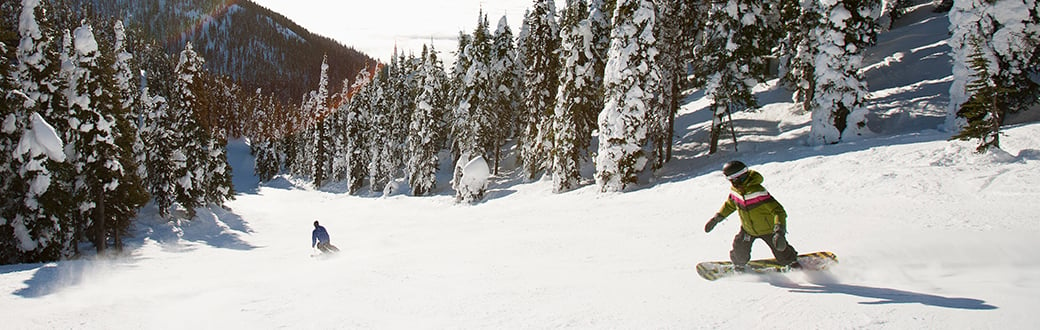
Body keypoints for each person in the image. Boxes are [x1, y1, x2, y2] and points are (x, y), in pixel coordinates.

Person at [704, 161, 798, 271]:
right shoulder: (736, 191)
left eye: (731, 178)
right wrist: (717, 218)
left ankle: (792, 263)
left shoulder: (757, 191)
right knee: (739, 249)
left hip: (768, 229)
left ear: (739, 177)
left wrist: (779, 231)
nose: (731, 182)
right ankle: (739, 266)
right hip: (748, 229)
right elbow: (730, 205)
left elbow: (778, 211)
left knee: (780, 249)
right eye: (728, 179)